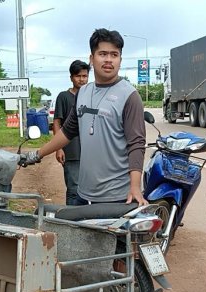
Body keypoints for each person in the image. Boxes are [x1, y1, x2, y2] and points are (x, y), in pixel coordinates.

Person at [20, 29, 147, 206]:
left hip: (116, 196)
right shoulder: (83, 92)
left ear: (120, 59)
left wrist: (135, 187)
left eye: (114, 54)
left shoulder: (129, 95)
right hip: (84, 191)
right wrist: (36, 155)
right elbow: (67, 131)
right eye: (103, 54)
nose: (109, 59)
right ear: (92, 58)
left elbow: (136, 144)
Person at [53, 60, 90, 205]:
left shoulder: (91, 96)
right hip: (72, 151)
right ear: (71, 78)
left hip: (90, 152)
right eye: (78, 76)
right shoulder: (63, 97)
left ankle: (86, 220)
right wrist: (58, 147)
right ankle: (71, 221)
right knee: (74, 189)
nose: (81, 79)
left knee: (91, 189)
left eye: (85, 76)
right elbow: (57, 122)